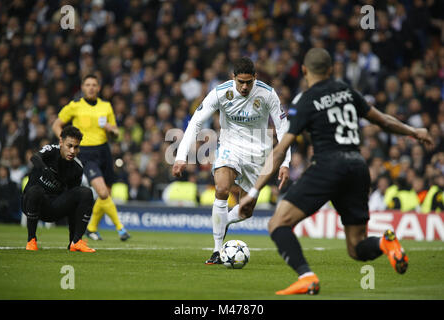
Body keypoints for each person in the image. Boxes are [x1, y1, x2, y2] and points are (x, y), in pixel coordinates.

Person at [239, 48, 434, 295]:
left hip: (328, 166)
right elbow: (383, 120)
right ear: (331, 70)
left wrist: (253, 192)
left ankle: (306, 276)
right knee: (357, 247)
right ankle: (385, 243)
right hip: (358, 167)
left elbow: (280, 151)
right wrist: (415, 132)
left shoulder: (305, 100)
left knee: (278, 223)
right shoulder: (348, 92)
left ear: (305, 71)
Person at [172, 57, 291, 264]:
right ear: (233, 77)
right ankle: (218, 250)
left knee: (246, 211)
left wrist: (285, 163)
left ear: (255, 77)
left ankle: (223, 221)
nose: (245, 87)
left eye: (249, 82)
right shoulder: (220, 92)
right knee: (222, 189)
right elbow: (196, 123)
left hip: (258, 154)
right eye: (240, 82)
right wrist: (182, 156)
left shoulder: (267, 93)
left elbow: (283, 130)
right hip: (230, 148)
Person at [52, 74, 130, 241]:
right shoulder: (75, 106)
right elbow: (56, 124)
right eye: (87, 84)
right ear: (82, 87)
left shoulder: (106, 106)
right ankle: (121, 228)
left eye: (94, 84)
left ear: (99, 87)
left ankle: (92, 227)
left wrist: (112, 130)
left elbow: (116, 134)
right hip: (85, 152)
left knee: (107, 193)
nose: (91, 87)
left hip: (104, 151)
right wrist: (65, 143)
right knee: (102, 192)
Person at [22, 125, 96, 252]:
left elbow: (74, 205)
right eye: (69, 146)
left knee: (86, 193)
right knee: (36, 191)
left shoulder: (77, 168)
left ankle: (76, 241)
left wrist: (72, 237)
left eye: (76, 147)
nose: (72, 151)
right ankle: (31, 240)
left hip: (53, 207)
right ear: (61, 142)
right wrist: (45, 169)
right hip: (31, 203)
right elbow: (34, 157)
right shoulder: (51, 151)